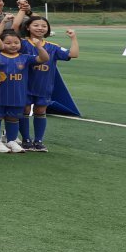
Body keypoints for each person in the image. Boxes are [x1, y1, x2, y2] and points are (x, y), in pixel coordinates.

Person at [23, 17, 79, 152]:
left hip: (44, 85)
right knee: (24, 111)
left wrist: (73, 38)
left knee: (40, 111)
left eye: (44, 26)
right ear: (28, 27)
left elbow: (73, 54)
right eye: (36, 25)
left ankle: (39, 141)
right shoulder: (21, 43)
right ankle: (26, 139)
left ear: (48, 29)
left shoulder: (52, 46)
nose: (40, 28)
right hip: (23, 85)